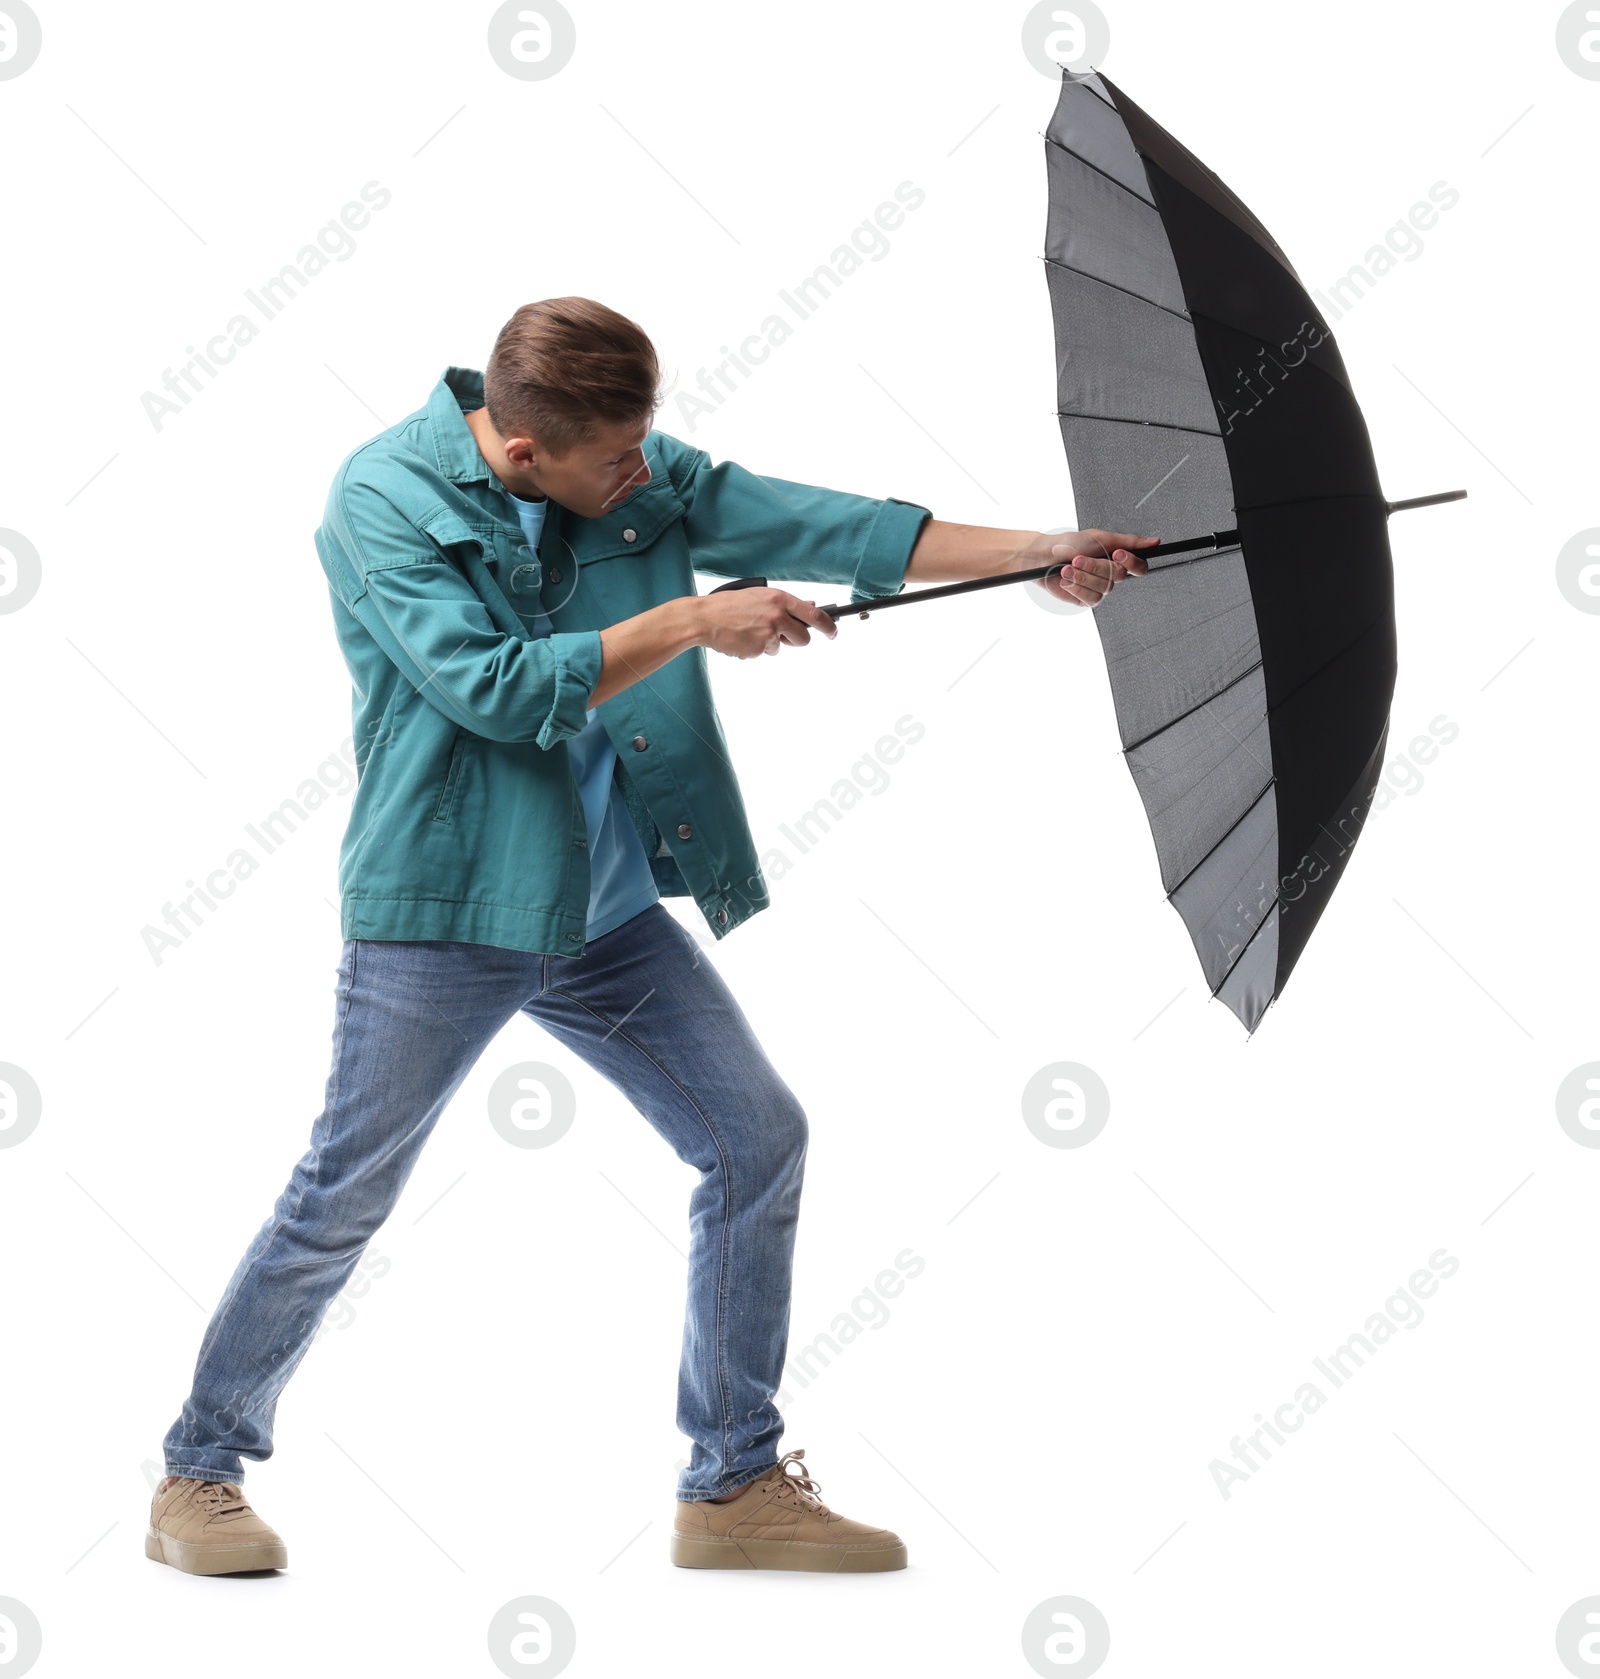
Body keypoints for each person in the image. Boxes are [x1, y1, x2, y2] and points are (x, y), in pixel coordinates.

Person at [146, 297, 1154, 1577]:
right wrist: (692, 620)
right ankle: (199, 1467)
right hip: (449, 908)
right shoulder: (382, 500)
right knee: (344, 1191)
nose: (644, 475)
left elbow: (813, 521)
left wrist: (1041, 551)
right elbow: (497, 692)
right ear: (522, 453)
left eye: (643, 448)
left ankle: (730, 1480)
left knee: (754, 1136)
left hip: (602, 910)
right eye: (615, 460)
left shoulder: (615, 462)